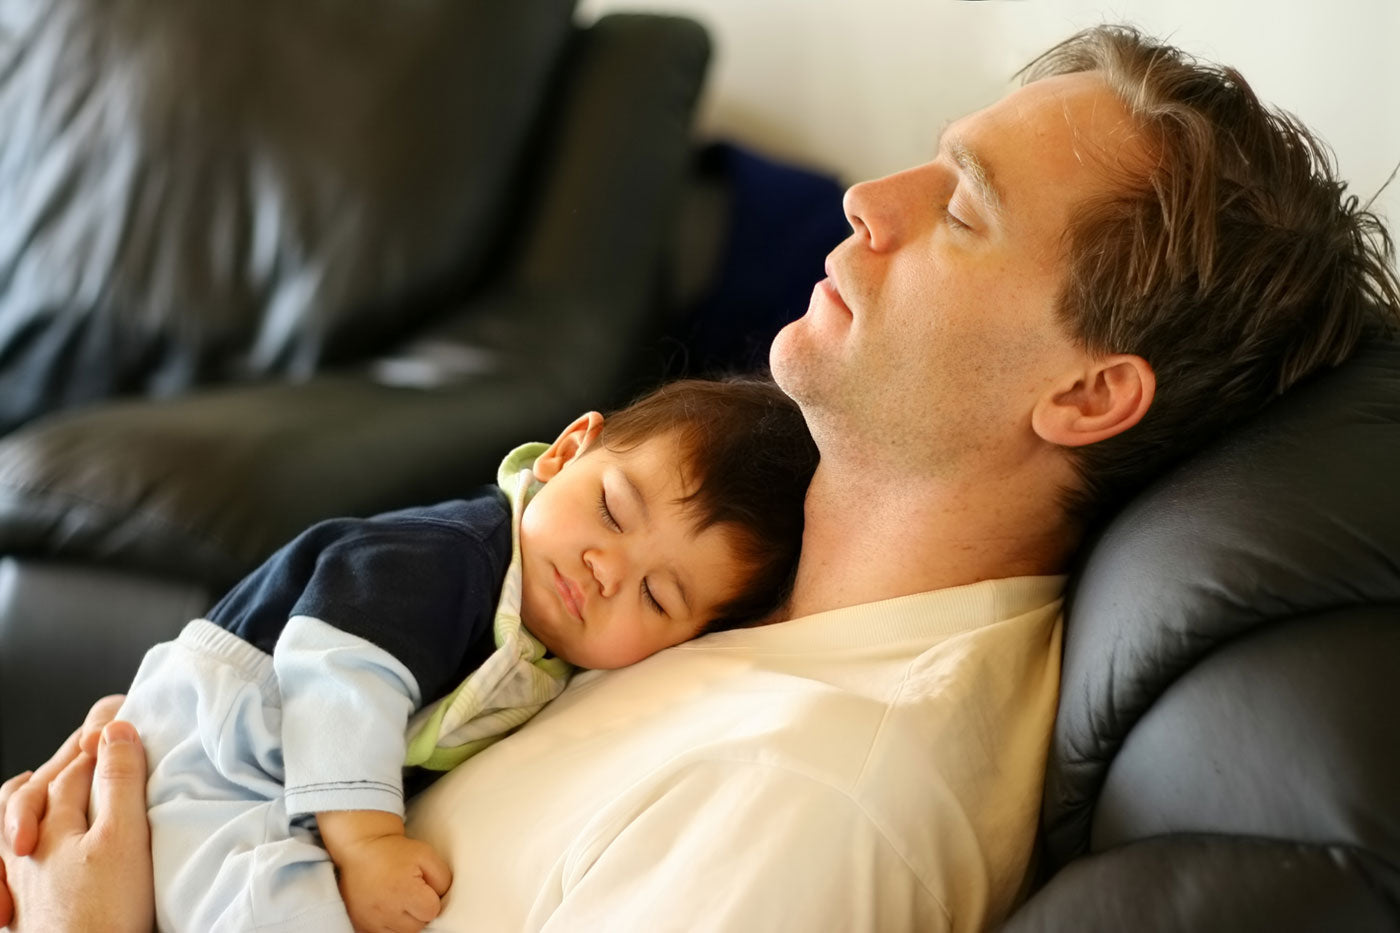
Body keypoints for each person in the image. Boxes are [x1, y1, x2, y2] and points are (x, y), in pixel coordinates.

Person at [4, 23, 1399, 933]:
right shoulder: (751, 600)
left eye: (962, 207)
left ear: (1087, 394)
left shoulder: (822, 800)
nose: (869, 199)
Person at [7, 376, 819, 933]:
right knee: (269, 904)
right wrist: (365, 842)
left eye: (657, 596)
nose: (608, 570)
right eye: (612, 509)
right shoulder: (454, 552)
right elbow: (340, 670)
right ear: (566, 451)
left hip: (267, 771)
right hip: (221, 738)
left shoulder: (557, 653)